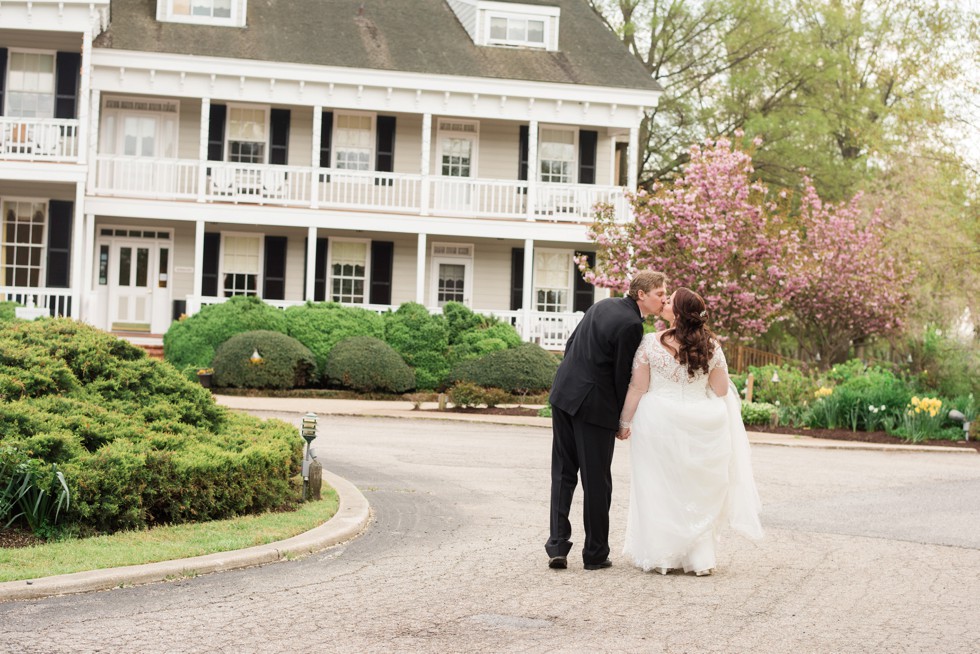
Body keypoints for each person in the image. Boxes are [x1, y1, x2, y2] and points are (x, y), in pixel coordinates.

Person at [618, 287, 763, 576]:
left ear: (679, 312)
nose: (664, 302)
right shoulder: (711, 346)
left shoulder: (650, 343)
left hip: (657, 420)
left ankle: (662, 554)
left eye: (669, 300)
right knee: (694, 488)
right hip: (701, 421)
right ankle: (699, 557)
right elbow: (721, 389)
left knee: (659, 486)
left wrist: (624, 422)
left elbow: (637, 387)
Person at [546, 270, 668, 570]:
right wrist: (619, 419)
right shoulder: (631, 325)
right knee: (597, 481)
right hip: (594, 406)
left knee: (563, 473)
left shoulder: (603, 305)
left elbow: (572, 343)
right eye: (659, 294)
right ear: (642, 294)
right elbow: (621, 376)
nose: (663, 299)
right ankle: (595, 554)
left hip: (564, 393)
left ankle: (557, 546)